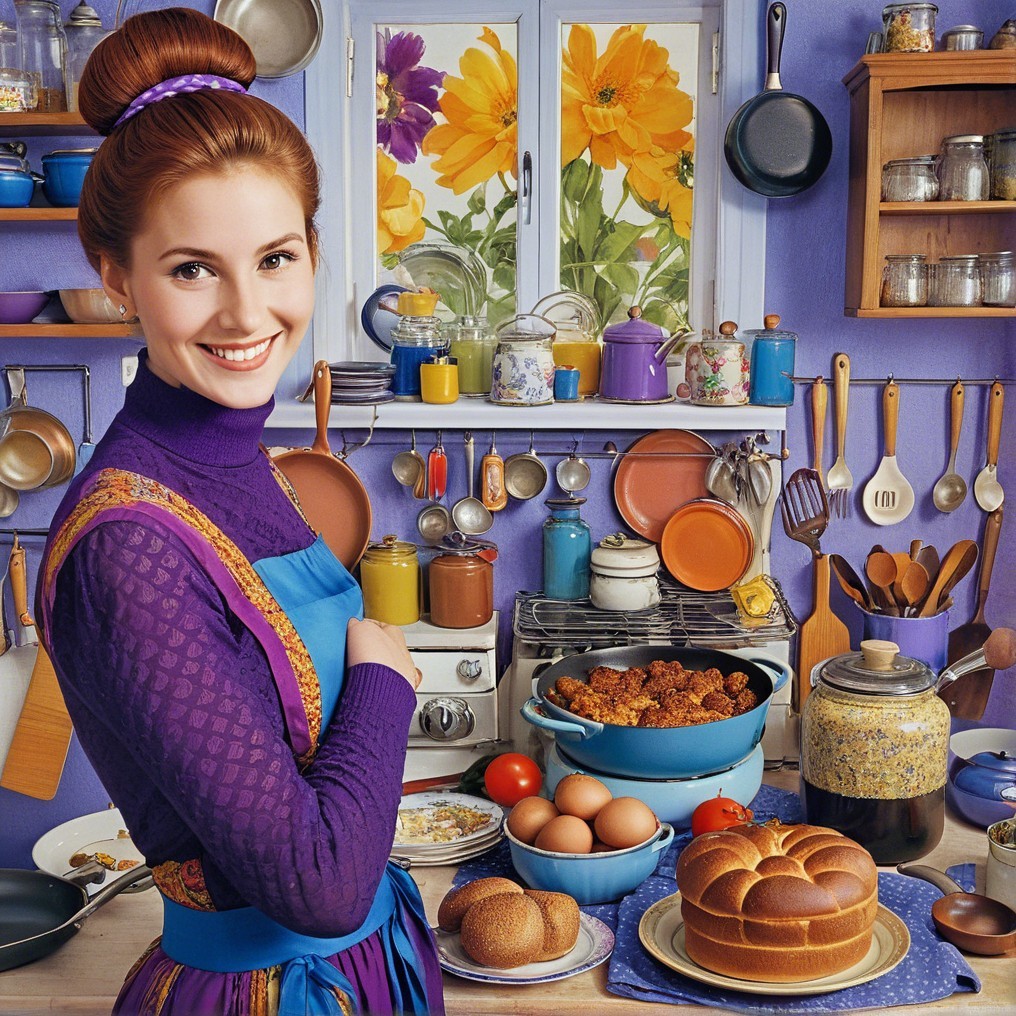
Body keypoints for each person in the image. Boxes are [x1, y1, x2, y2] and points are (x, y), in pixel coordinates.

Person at [37, 9, 445, 1015]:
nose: (246, 313)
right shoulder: (128, 544)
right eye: (190, 269)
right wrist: (384, 678)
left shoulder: (236, 455)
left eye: (274, 258)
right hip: (265, 989)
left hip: (366, 967)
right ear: (114, 276)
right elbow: (316, 882)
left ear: (310, 251)